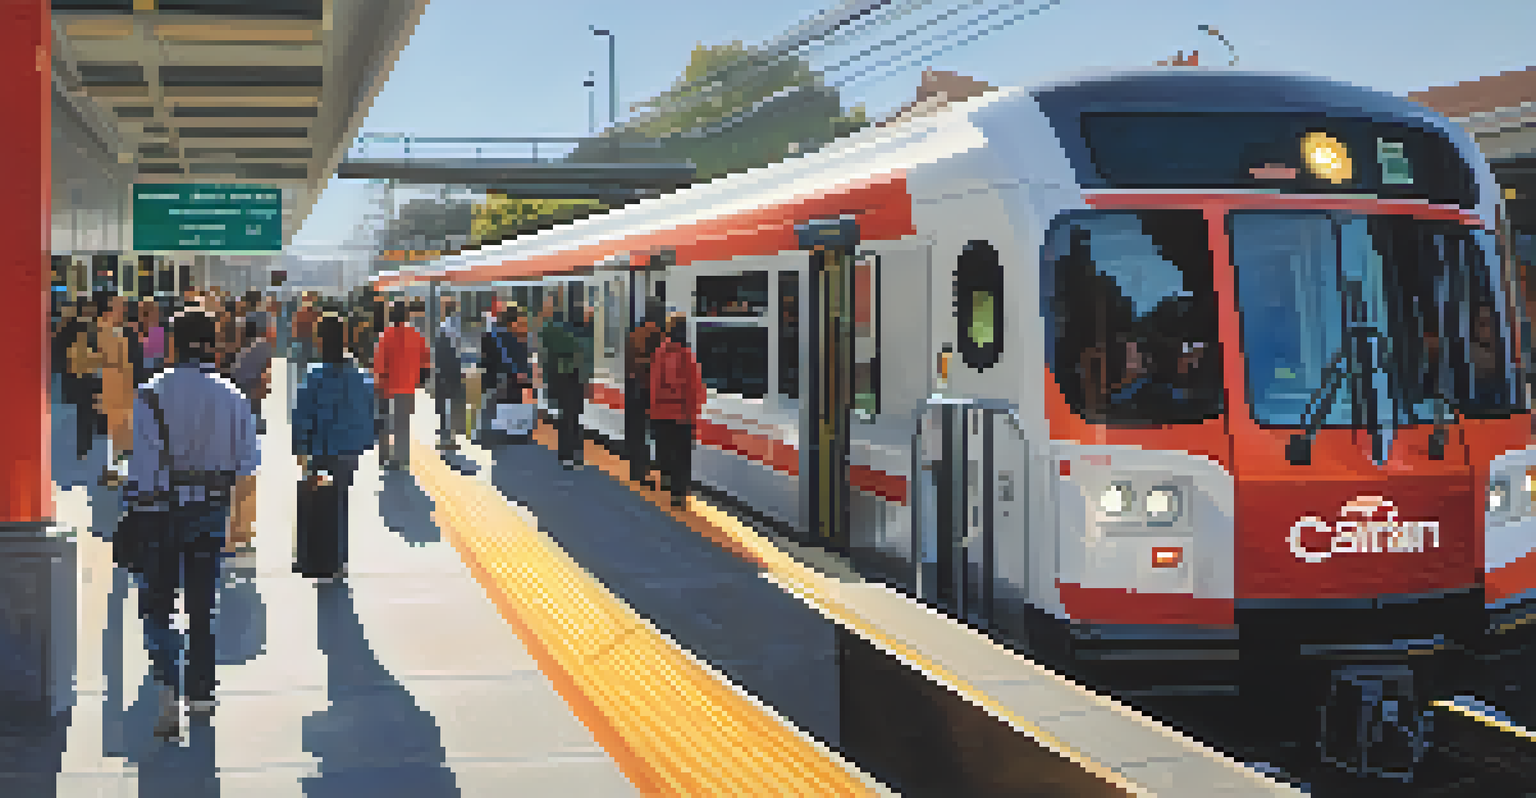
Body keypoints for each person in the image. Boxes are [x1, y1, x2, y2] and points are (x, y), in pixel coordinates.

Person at [124, 308, 258, 742]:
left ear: (173, 344)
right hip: (211, 511)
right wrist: (240, 526)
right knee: (203, 603)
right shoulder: (231, 395)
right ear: (214, 343)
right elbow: (247, 467)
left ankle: (166, 682)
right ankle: (201, 691)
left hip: (160, 511)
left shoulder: (150, 394)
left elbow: (142, 471)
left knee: (158, 601)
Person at [292, 312, 376, 577]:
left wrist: (300, 447)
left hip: (322, 449)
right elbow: (369, 412)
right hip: (349, 451)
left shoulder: (315, 375)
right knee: (340, 501)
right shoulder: (360, 376)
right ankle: (339, 559)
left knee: (317, 502)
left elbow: (302, 413)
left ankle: (315, 557)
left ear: (320, 340)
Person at [649, 313, 706, 508]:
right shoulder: (687, 356)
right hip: (682, 414)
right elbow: (693, 389)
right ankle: (679, 493)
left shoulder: (660, 352)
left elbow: (654, 385)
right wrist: (693, 415)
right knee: (682, 454)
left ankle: (667, 479)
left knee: (667, 449)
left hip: (662, 413)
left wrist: (654, 410)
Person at [540, 292, 595, 468]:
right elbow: (581, 347)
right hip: (570, 378)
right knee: (571, 417)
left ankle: (571, 454)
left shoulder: (558, 329)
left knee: (571, 417)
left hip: (568, 378)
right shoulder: (564, 331)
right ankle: (570, 454)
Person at [373, 301, 430, 469]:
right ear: (406, 316)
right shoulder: (416, 335)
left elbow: (379, 366)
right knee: (403, 424)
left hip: (387, 387)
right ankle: (403, 459)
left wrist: (377, 385)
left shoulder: (386, 336)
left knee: (384, 423)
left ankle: (384, 457)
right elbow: (425, 362)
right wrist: (419, 382)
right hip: (407, 387)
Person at [625, 299, 667, 486]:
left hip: (633, 386)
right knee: (655, 431)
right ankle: (654, 469)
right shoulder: (658, 334)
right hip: (651, 388)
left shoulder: (633, 334)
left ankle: (637, 470)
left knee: (636, 431)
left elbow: (628, 362)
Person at [479, 305, 532, 443]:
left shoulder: (517, 338)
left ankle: (510, 432)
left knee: (510, 405)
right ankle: (506, 433)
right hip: (502, 380)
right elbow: (489, 360)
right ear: (511, 323)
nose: (524, 326)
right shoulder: (497, 338)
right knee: (502, 405)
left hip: (509, 381)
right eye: (521, 322)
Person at [434, 296, 466, 449]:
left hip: (444, 369)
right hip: (455, 368)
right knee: (452, 402)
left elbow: (441, 351)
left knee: (443, 404)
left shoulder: (445, 326)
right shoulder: (457, 325)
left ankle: (446, 438)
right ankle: (450, 435)